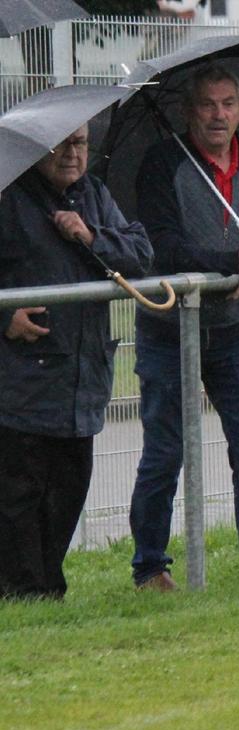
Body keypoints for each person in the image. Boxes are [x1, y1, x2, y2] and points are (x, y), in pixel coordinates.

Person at [130, 66, 239, 590]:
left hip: (231, 331)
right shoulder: (162, 163)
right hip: (166, 330)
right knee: (165, 454)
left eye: (227, 103)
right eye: (207, 104)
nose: (218, 114)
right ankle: (149, 567)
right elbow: (161, 249)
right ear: (187, 111)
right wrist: (231, 260)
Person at [0, 126, 153, 599]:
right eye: (61, 143)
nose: (72, 153)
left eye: (81, 142)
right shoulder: (10, 197)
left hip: (82, 380)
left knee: (68, 491)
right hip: (22, 381)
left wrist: (90, 234)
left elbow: (141, 254)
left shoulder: (95, 195)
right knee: (19, 495)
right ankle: (22, 591)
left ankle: (47, 587)